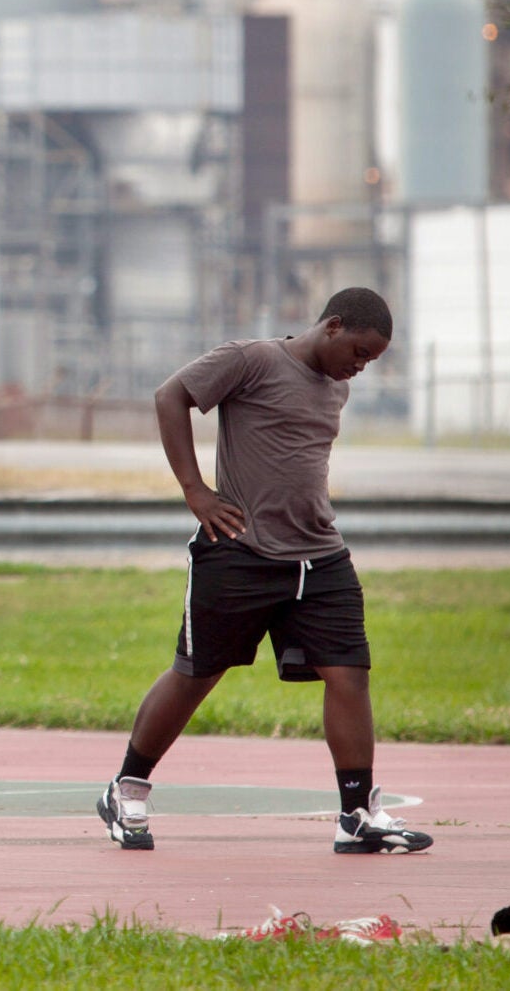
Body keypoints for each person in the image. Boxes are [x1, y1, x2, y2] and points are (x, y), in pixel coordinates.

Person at [96, 287, 434, 857]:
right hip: (240, 550)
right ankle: (126, 789)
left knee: (349, 674)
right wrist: (196, 491)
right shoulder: (251, 359)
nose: (360, 366)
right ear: (332, 326)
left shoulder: (337, 388)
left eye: (371, 361)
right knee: (196, 673)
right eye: (358, 351)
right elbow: (169, 395)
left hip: (320, 554)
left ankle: (356, 815)